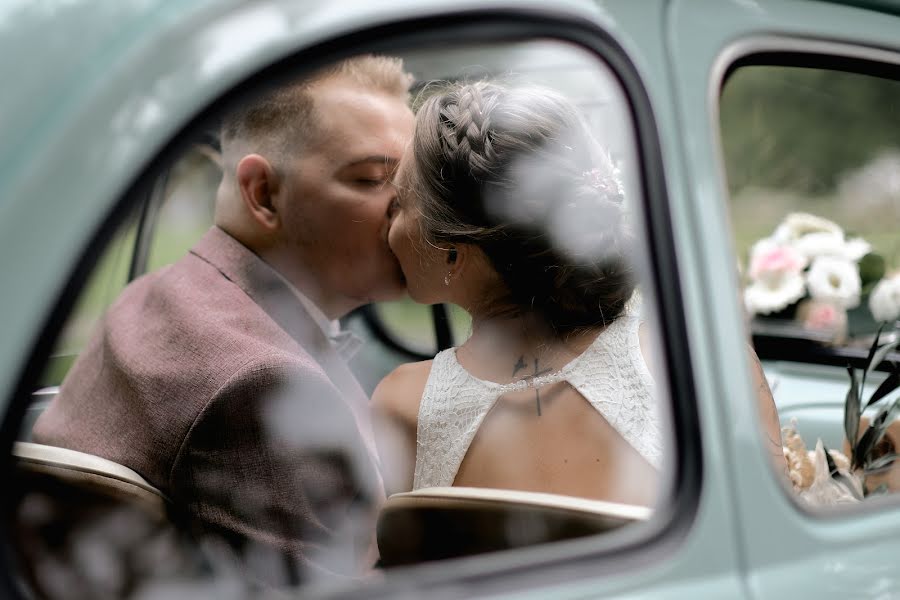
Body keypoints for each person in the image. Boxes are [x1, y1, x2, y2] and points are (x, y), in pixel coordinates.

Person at [32, 54, 415, 584]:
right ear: (262, 194)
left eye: (415, 180)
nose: (413, 209)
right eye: (374, 178)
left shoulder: (157, 294)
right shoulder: (266, 384)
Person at [372, 81, 786, 506]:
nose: (386, 228)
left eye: (398, 203)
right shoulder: (708, 362)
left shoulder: (401, 407)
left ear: (453, 254)